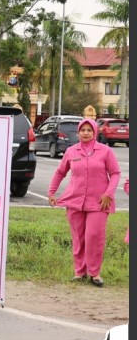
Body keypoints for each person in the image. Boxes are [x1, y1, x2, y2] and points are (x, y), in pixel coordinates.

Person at [47, 118, 121, 287]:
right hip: (75, 201)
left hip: (99, 202)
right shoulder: (72, 151)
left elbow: (115, 173)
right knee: (78, 238)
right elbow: (60, 172)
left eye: (89, 130)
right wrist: (51, 192)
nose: (86, 133)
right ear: (78, 132)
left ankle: (94, 273)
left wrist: (108, 194)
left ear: (95, 132)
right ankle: (80, 272)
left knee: (94, 236)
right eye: (83, 130)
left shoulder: (105, 151)